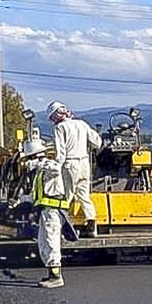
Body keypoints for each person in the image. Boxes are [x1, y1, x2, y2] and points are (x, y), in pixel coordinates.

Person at [47, 100, 102, 237]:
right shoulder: (82, 124)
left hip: (70, 164)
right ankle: (91, 227)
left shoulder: (59, 128)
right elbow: (97, 142)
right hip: (84, 163)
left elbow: (60, 153)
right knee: (84, 196)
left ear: (55, 115)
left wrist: (53, 168)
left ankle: (62, 227)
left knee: (67, 195)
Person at [22, 136, 71, 289]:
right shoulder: (40, 174)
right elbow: (37, 194)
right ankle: (51, 273)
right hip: (45, 211)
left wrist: (38, 162)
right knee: (43, 242)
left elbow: (56, 168)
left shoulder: (49, 165)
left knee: (51, 242)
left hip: (53, 211)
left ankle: (56, 276)